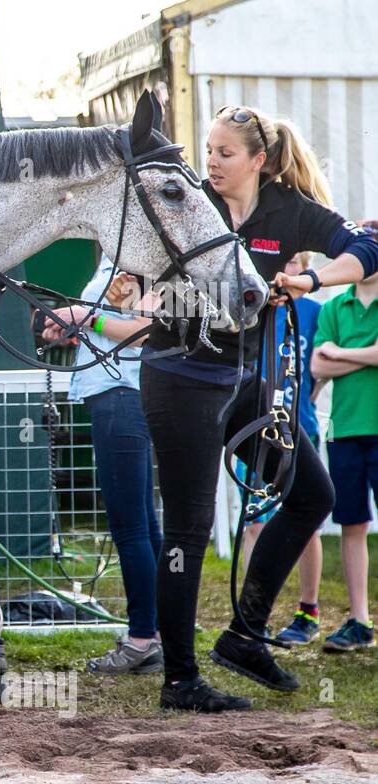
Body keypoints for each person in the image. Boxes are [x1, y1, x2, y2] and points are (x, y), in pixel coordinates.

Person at [139, 105, 378, 711]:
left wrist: (312, 281)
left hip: (240, 380)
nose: (211, 162)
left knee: (311, 496)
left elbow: (364, 250)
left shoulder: (288, 210)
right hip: (180, 377)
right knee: (188, 530)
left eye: (224, 153)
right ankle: (180, 680)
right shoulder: (191, 202)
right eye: (209, 150)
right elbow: (146, 278)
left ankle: (245, 634)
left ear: (258, 161)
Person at [43, 254, 162, 674]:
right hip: (115, 395)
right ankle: (155, 635)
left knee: (132, 527)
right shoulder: (115, 260)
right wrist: (77, 327)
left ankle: (143, 639)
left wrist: (82, 316)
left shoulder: (148, 261)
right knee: (143, 525)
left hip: (122, 396)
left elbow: (141, 332)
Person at [237, 252, 325, 644]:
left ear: (303, 268)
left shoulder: (313, 312)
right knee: (254, 521)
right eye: (280, 265)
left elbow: (317, 370)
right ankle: (252, 612)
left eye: (293, 264)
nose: (284, 273)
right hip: (255, 427)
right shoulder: (252, 309)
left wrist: (301, 403)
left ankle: (308, 608)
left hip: (298, 427)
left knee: (307, 513)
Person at [310, 220, 378, 653]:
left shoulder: (335, 320)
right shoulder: (335, 307)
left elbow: (329, 357)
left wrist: (340, 353)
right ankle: (359, 621)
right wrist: (367, 357)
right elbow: (317, 367)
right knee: (352, 524)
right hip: (345, 432)